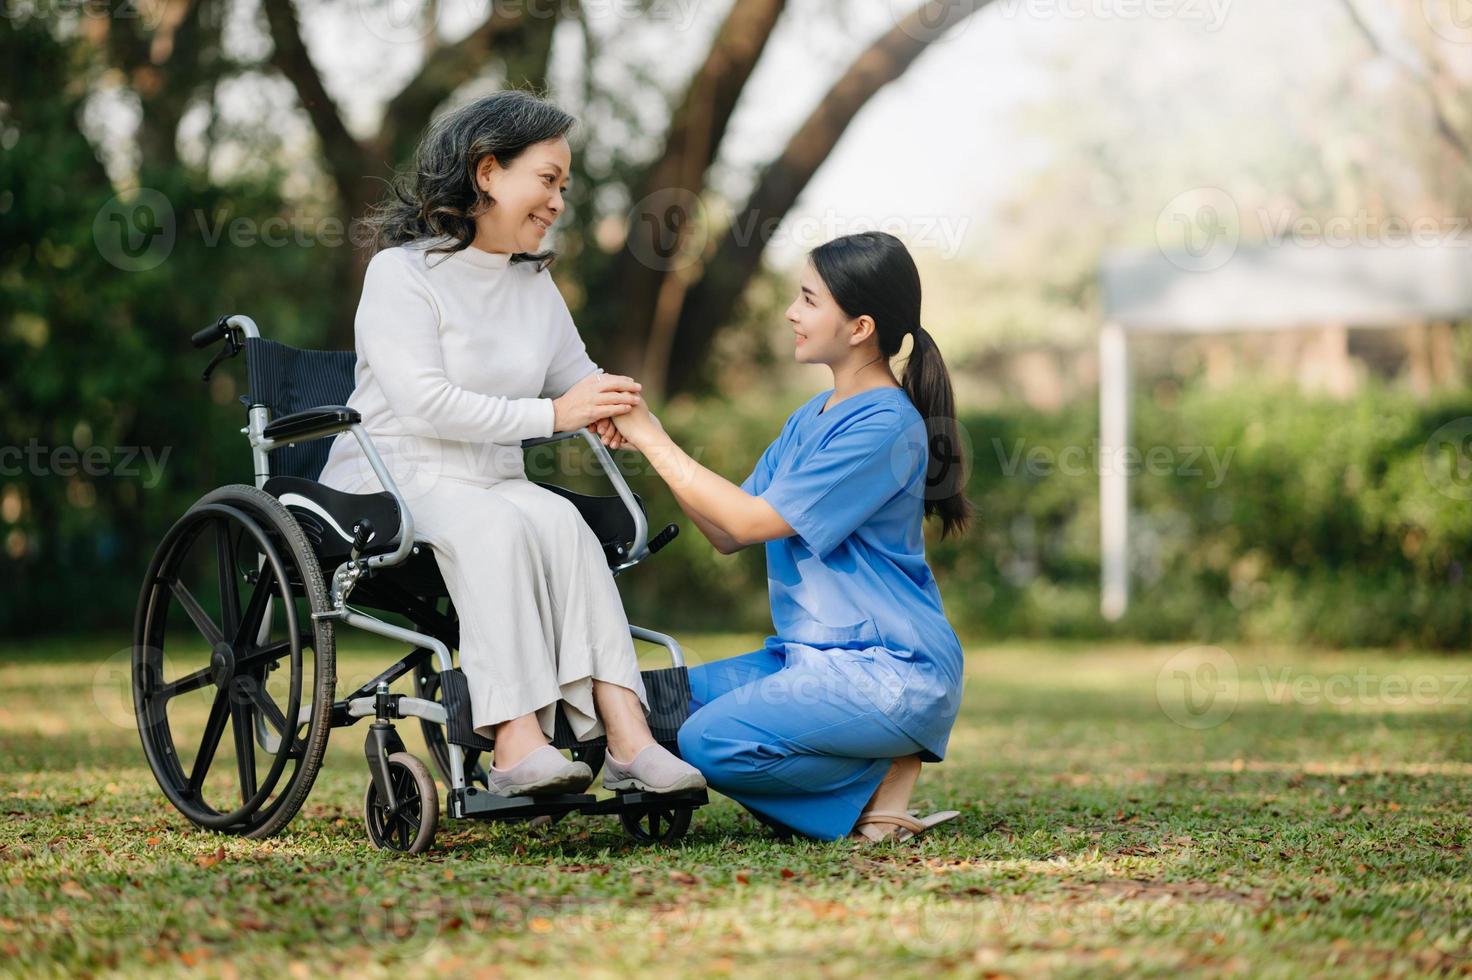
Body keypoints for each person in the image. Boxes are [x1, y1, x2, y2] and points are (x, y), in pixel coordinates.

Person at [317, 90, 704, 799]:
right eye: (548, 180)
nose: (558, 200)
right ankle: (514, 744)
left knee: (564, 525)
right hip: (394, 474)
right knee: (497, 526)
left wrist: (608, 403)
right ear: (488, 171)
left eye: (564, 186)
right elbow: (423, 403)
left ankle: (629, 740)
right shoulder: (402, 274)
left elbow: (575, 376)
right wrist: (558, 415)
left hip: (492, 475)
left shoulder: (532, 282)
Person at [607, 231, 969, 842]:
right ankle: (873, 775)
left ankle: (878, 785)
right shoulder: (812, 416)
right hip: (806, 660)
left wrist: (652, 439)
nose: (791, 313)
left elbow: (750, 521)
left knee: (705, 740)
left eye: (807, 299)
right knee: (653, 706)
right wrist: (653, 443)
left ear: (859, 327)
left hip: (888, 670)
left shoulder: (885, 425)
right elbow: (728, 531)